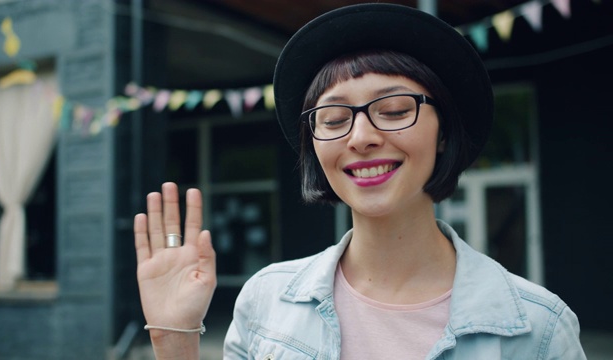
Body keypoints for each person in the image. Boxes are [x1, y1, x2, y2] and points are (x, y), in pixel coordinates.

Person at [134, 3, 586, 359]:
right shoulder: (267, 298)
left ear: (444, 131)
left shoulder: (538, 328)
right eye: (333, 119)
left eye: (393, 111)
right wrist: (174, 340)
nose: (361, 137)